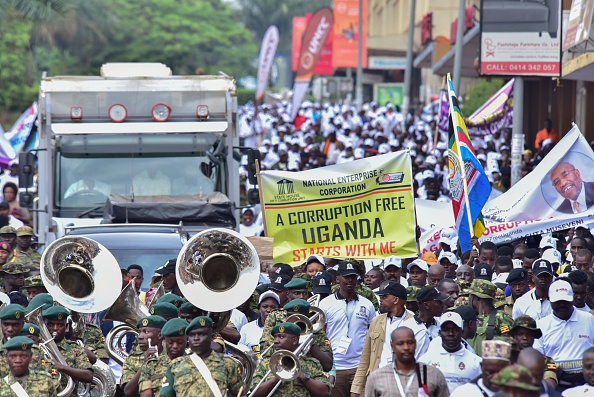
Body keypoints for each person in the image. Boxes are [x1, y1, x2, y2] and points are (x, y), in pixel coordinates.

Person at [319, 261, 376, 397]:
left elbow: (372, 332)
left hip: (360, 366)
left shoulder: (367, 304)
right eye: (346, 276)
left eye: (353, 276)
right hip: (335, 366)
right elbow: (321, 334)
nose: (350, 280)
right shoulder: (326, 303)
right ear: (338, 278)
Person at [351, 282, 414, 396]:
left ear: (395, 300)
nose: (380, 299)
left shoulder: (413, 322)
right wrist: (356, 388)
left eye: (384, 297)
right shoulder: (377, 321)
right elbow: (365, 357)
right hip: (377, 381)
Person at [159, 316, 244, 397]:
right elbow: (166, 394)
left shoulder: (228, 363)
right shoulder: (175, 365)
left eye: (201, 334)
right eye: (192, 335)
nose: (196, 338)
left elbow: (239, 393)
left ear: (211, 336)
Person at [534, 280, 594, 390]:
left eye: (565, 301)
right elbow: (538, 356)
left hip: (587, 383)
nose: (562, 305)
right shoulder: (541, 325)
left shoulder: (589, 319)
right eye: (558, 301)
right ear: (550, 300)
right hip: (556, 384)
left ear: (572, 299)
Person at [251, 322, 332, 397]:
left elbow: (325, 392)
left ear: (294, 340)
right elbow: (254, 393)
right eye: (275, 337)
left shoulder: (311, 363)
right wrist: (277, 377)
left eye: (281, 336)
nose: (275, 341)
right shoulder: (266, 363)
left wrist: (302, 376)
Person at [363, 327, 449, 397]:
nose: (406, 347)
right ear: (392, 347)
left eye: (410, 343)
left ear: (415, 344)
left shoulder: (434, 374)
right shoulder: (377, 377)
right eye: (400, 344)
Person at [419, 312, 482, 393]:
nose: (451, 334)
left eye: (455, 330)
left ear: (462, 332)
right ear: (440, 333)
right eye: (446, 330)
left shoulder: (476, 362)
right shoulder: (425, 361)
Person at [42, 306, 94, 391]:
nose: (55, 328)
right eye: (51, 324)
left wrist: (62, 367)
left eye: (60, 325)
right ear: (45, 325)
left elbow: (88, 375)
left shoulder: (75, 348)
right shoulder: (38, 348)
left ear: (66, 327)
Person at [139, 318, 188, 397]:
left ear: (187, 340)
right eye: (170, 342)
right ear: (164, 340)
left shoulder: (195, 364)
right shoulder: (151, 365)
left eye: (180, 342)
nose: (175, 346)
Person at [509, 315, 558, 390]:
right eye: (520, 334)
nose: (525, 338)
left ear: (534, 337)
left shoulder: (545, 360)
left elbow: (551, 385)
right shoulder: (507, 358)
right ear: (514, 336)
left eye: (529, 334)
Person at [467, 279, 513, 356]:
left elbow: (510, 344)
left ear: (478, 298)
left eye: (471, 296)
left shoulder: (501, 317)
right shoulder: (471, 317)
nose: (469, 299)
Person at [401, 286, 449, 359]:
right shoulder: (406, 327)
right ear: (426, 305)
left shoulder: (442, 324)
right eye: (438, 302)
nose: (442, 305)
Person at [122, 316, 164, 397]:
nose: (140, 336)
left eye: (146, 332)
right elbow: (128, 392)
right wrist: (144, 364)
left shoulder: (171, 356)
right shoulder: (132, 359)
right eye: (139, 332)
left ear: (160, 335)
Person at [239, 291, 279, 358]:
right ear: (259, 309)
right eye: (265, 306)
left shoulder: (283, 329)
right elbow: (240, 353)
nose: (269, 310)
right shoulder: (246, 328)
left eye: (273, 307)